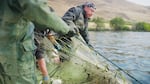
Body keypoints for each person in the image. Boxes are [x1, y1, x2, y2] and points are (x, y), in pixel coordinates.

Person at [0, 0, 72, 84]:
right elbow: (39, 53)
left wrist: (56, 45)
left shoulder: (45, 28)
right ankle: (45, 76)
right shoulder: (37, 29)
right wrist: (45, 76)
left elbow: (49, 35)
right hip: (15, 55)